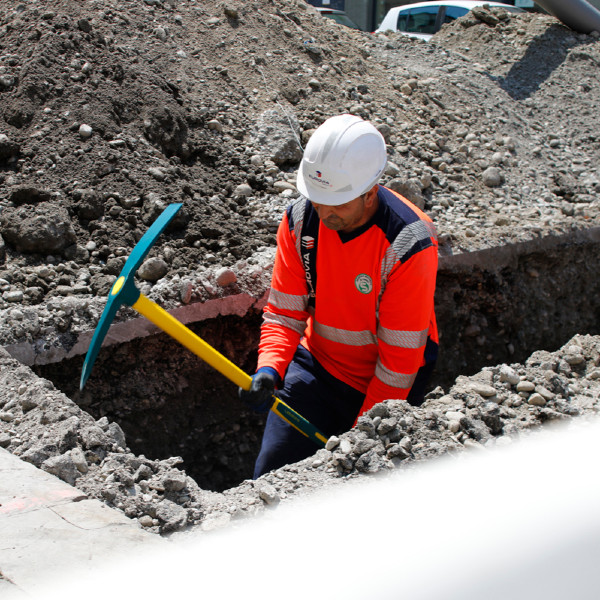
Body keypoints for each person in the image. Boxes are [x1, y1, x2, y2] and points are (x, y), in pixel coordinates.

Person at [239, 114, 439, 478]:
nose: (325, 213)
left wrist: (361, 438)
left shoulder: (408, 243)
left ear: (369, 193)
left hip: (388, 380)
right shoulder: (301, 219)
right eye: (318, 200)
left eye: (338, 204)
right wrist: (269, 368)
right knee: (272, 472)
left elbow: (399, 362)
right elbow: (284, 314)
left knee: (361, 482)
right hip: (318, 366)